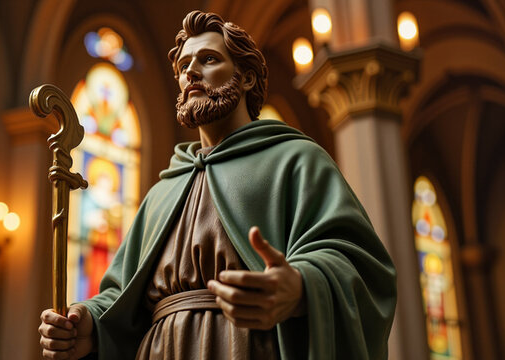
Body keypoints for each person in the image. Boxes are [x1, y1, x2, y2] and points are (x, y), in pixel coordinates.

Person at [39, 11, 395, 359]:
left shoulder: (295, 159)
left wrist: (302, 285)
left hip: (247, 345)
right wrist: (87, 324)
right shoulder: (164, 190)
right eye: (183, 67)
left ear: (247, 79)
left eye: (208, 59)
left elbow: (359, 265)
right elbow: (122, 296)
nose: (190, 72)